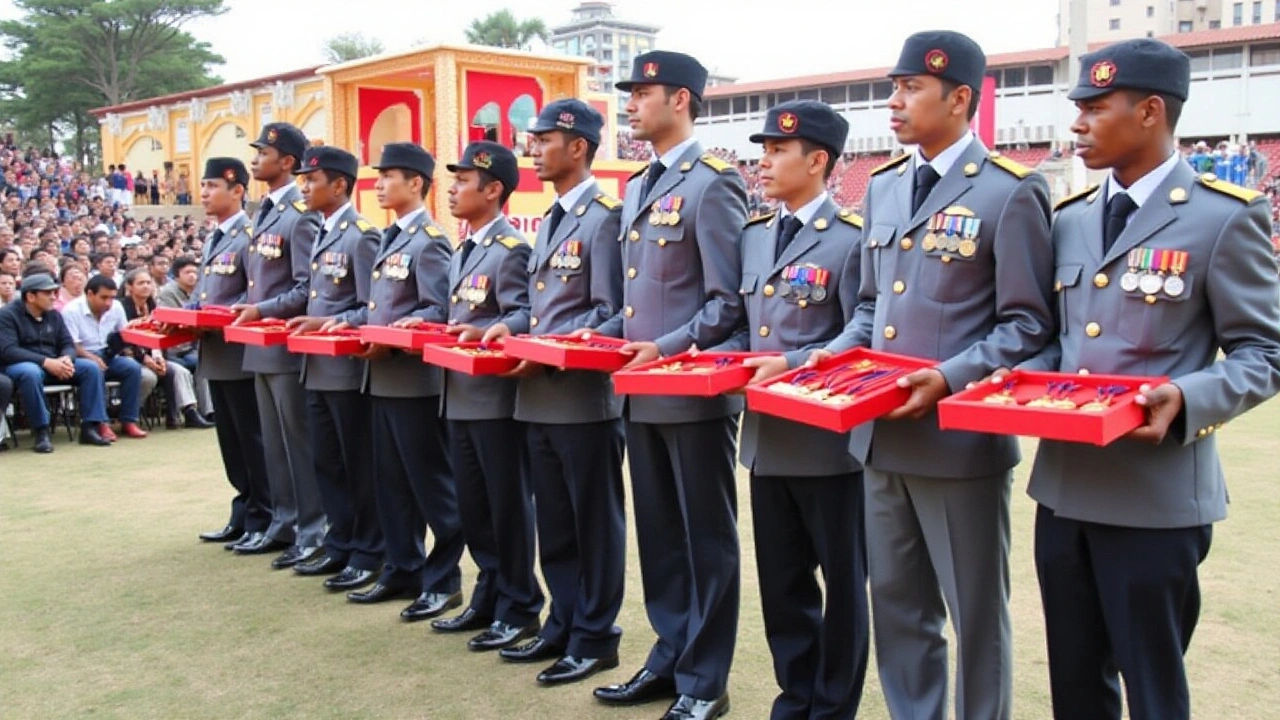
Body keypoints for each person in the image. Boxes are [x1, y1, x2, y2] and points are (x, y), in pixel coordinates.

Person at [1014, 38, 1280, 720]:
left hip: (1154, 499)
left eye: (1095, 108)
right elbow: (1058, 341)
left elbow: (1264, 353)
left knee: (1152, 690)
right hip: (1066, 490)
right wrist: (1016, 379)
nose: (1077, 125)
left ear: (1151, 112)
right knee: (1076, 687)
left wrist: (1188, 396)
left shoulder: (1223, 216)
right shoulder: (1069, 219)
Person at [813, 31, 1055, 720]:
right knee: (897, 608)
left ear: (960, 99)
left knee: (975, 616)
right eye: (894, 86)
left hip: (957, 444)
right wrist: (831, 357)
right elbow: (869, 308)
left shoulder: (1011, 192)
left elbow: (1029, 325)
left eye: (911, 87)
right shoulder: (884, 186)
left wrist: (949, 378)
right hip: (880, 438)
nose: (894, 101)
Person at [592, 50, 748, 720]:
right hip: (638, 390)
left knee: (703, 539)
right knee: (658, 537)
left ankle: (705, 680)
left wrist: (666, 347)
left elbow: (727, 302)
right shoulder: (636, 186)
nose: (630, 104)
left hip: (690, 392)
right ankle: (670, 656)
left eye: (642, 93)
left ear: (680, 99)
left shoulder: (715, 184)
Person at [728, 99, 871, 719]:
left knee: (843, 589)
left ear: (817, 161)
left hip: (829, 442)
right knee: (783, 586)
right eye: (763, 151)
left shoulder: (850, 239)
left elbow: (864, 325)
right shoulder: (755, 237)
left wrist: (801, 362)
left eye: (778, 151)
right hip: (768, 437)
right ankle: (796, 696)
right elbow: (742, 328)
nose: (764, 163)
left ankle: (834, 706)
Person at [496, 100, 626, 686]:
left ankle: (596, 635)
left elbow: (609, 313)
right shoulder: (549, 217)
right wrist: (512, 329)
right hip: (538, 394)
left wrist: (549, 346)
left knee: (593, 524)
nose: (534, 148)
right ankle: (562, 622)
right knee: (555, 523)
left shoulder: (603, 217)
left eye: (544, 139)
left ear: (578, 147)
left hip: (580, 397)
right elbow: (538, 305)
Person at [332, 143, 466, 619]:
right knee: (390, 484)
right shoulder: (390, 237)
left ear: (416, 183)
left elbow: (439, 309)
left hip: (414, 381)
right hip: (381, 376)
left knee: (432, 487)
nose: (379, 184)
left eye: (389, 176)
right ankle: (403, 567)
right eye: (378, 175)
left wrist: (400, 332)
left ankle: (444, 578)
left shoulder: (429, 240)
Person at [424, 140, 544, 650]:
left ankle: (519, 604)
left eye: (463, 181)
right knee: (474, 507)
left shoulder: (512, 249)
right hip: (459, 394)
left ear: (493, 190)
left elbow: (525, 314)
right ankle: (489, 594)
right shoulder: (466, 248)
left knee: (506, 507)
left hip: (495, 399)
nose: (452, 189)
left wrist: (495, 327)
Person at [285, 145, 383, 592]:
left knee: (356, 466)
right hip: (317, 366)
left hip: (345, 369)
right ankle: (341, 544)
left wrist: (331, 322)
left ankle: (368, 551)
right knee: (326, 462)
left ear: (340, 184)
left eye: (312, 179)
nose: (304, 186)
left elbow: (370, 308)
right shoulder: (324, 230)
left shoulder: (360, 234)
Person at [229, 123, 325, 566]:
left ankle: (313, 529)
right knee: (273, 443)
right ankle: (284, 524)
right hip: (258, 344)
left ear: (287, 161)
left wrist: (263, 310)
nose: (255, 159)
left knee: (298, 443)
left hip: (285, 344)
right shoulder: (263, 211)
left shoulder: (300, 213)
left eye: (264, 151)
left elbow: (308, 287)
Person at [192, 158, 274, 553]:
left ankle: (263, 515)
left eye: (211, 186)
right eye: (203, 186)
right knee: (231, 443)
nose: (204, 194)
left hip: (240, 352)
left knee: (253, 440)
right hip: (215, 352)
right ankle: (243, 513)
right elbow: (204, 292)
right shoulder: (214, 237)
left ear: (237, 190)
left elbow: (253, 294)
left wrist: (218, 315)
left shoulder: (248, 234)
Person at [0, 273, 112, 452]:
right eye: (48, 293)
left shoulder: (54, 315)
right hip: (20, 366)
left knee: (91, 368)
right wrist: (46, 362)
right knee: (30, 372)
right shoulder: (7, 315)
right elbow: (8, 351)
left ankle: (90, 427)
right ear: (30, 296)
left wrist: (66, 358)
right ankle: (41, 431)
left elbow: (67, 343)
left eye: (54, 292)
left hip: (55, 364)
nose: (54, 297)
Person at [121, 267, 211, 430]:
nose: (146, 286)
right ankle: (123, 413)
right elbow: (125, 340)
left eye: (149, 282)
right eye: (141, 283)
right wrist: (144, 359)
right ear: (129, 287)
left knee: (179, 371)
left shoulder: (152, 306)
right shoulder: (122, 307)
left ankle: (190, 413)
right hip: (130, 357)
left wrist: (158, 357)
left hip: (154, 356)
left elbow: (158, 335)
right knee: (149, 377)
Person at [61, 274, 148, 440]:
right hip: (81, 357)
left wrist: (137, 353)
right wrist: (91, 357)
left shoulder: (116, 307)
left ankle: (129, 420)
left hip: (108, 354)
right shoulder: (71, 311)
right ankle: (102, 423)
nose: (108, 303)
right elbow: (72, 345)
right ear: (90, 294)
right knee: (94, 369)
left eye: (112, 297)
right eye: (104, 297)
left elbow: (125, 334)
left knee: (132, 367)